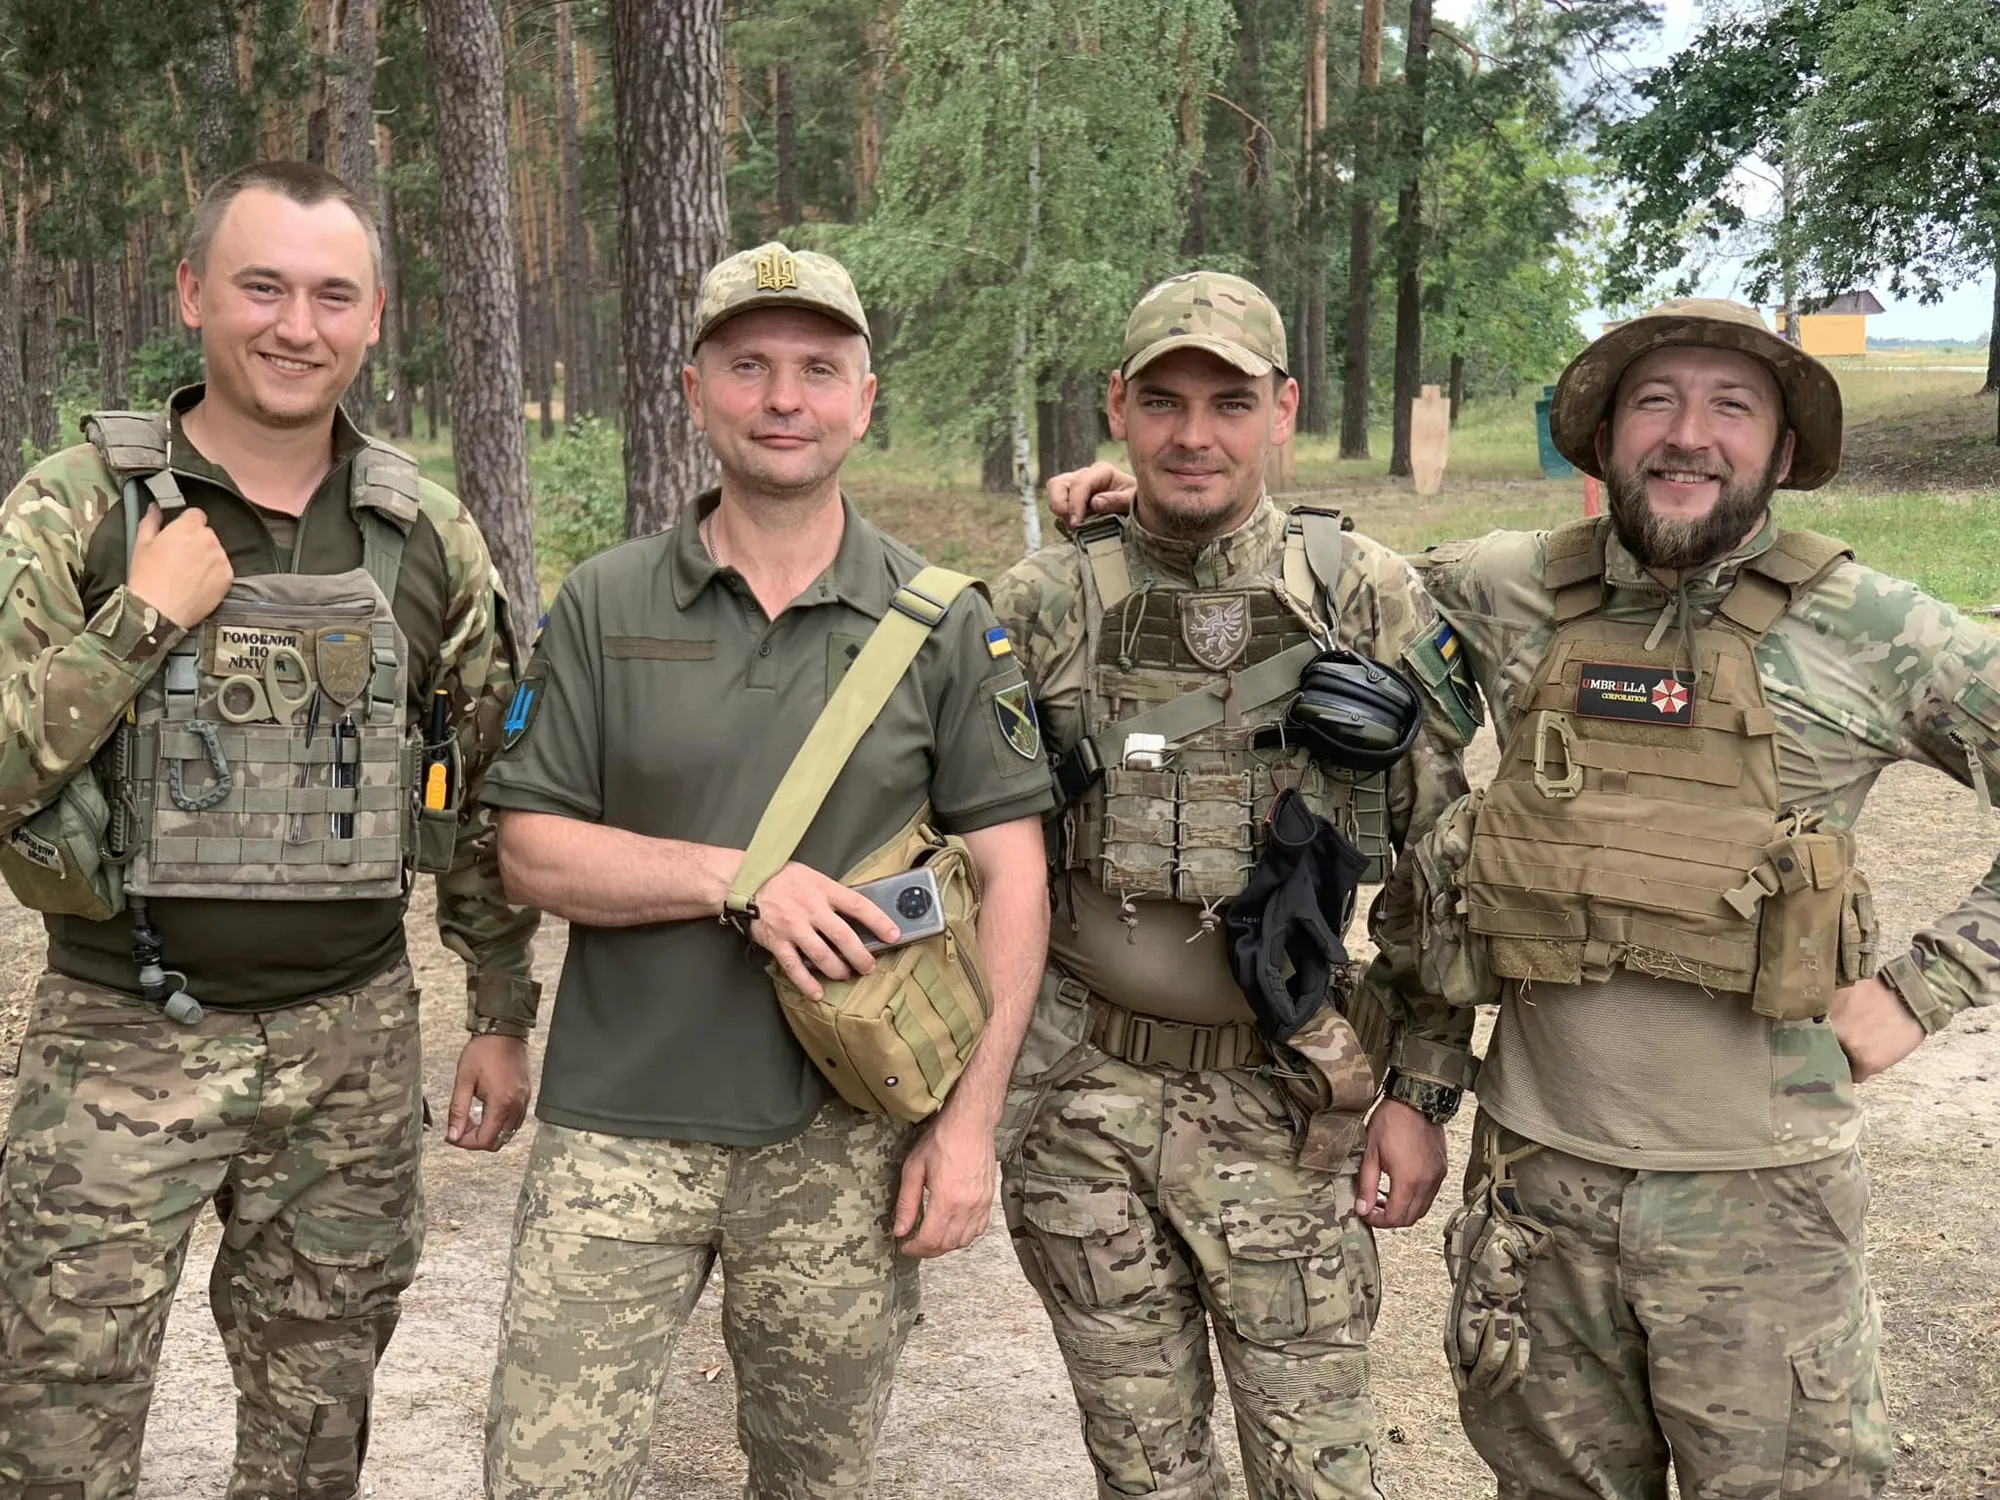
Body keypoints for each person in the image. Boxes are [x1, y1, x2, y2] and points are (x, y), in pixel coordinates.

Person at [1046, 297, 2000, 1498]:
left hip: (1760, 1205)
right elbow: (1291, 575)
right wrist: (1147, 502)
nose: (1686, 436)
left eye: (1730, 407)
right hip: (1534, 1192)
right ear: (1601, 437)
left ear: (1783, 447)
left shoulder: (1873, 629)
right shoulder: (1508, 590)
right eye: (1653, 401)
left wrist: (1928, 986)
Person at [479, 241, 1054, 1500]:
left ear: (863, 396)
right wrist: (740, 877)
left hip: (839, 1141)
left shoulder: (942, 619)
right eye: (747, 367)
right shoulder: (605, 603)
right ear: (693, 392)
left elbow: (1017, 882)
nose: (781, 398)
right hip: (613, 1135)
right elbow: (527, 848)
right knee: (542, 1477)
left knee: (814, 1479)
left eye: (815, 369)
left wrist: (967, 1135)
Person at [0, 161, 539, 1500]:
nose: (296, 324)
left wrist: (500, 1004)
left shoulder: (427, 536)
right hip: (123, 1034)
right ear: (192, 294)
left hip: (347, 1051)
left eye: (331, 295)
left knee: (313, 1439)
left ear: (370, 320)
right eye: (262, 286)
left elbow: (478, 788)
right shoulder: (77, 507)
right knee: (54, 1431)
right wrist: (137, 621)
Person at [990, 271, 1476, 1500]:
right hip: (1081, 1113)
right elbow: (965, 844)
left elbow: (1438, 866)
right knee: (1143, 1471)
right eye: (1159, 401)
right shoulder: (1043, 600)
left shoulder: (1364, 591)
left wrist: (1420, 1089)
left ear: (1281, 408)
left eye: (1227, 400)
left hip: (1284, 1106)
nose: (1191, 434)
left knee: (1322, 1470)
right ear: (1116, 406)